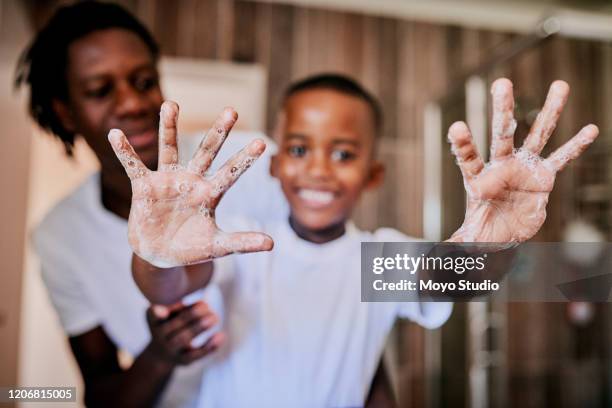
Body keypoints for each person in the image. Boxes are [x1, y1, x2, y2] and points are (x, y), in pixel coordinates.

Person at [113, 72, 598, 406]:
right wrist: (156, 254)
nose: (320, 169)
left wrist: (486, 249)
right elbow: (168, 287)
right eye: (300, 148)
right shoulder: (244, 243)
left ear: (373, 175)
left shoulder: (375, 259)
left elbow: (447, 279)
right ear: (278, 166)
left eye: (343, 154)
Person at [17, 3, 393, 406]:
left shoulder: (244, 163)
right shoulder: (60, 236)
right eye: (100, 90)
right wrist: (160, 349)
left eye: (144, 81)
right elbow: (168, 294)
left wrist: (470, 256)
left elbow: (340, 283)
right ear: (65, 111)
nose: (132, 103)